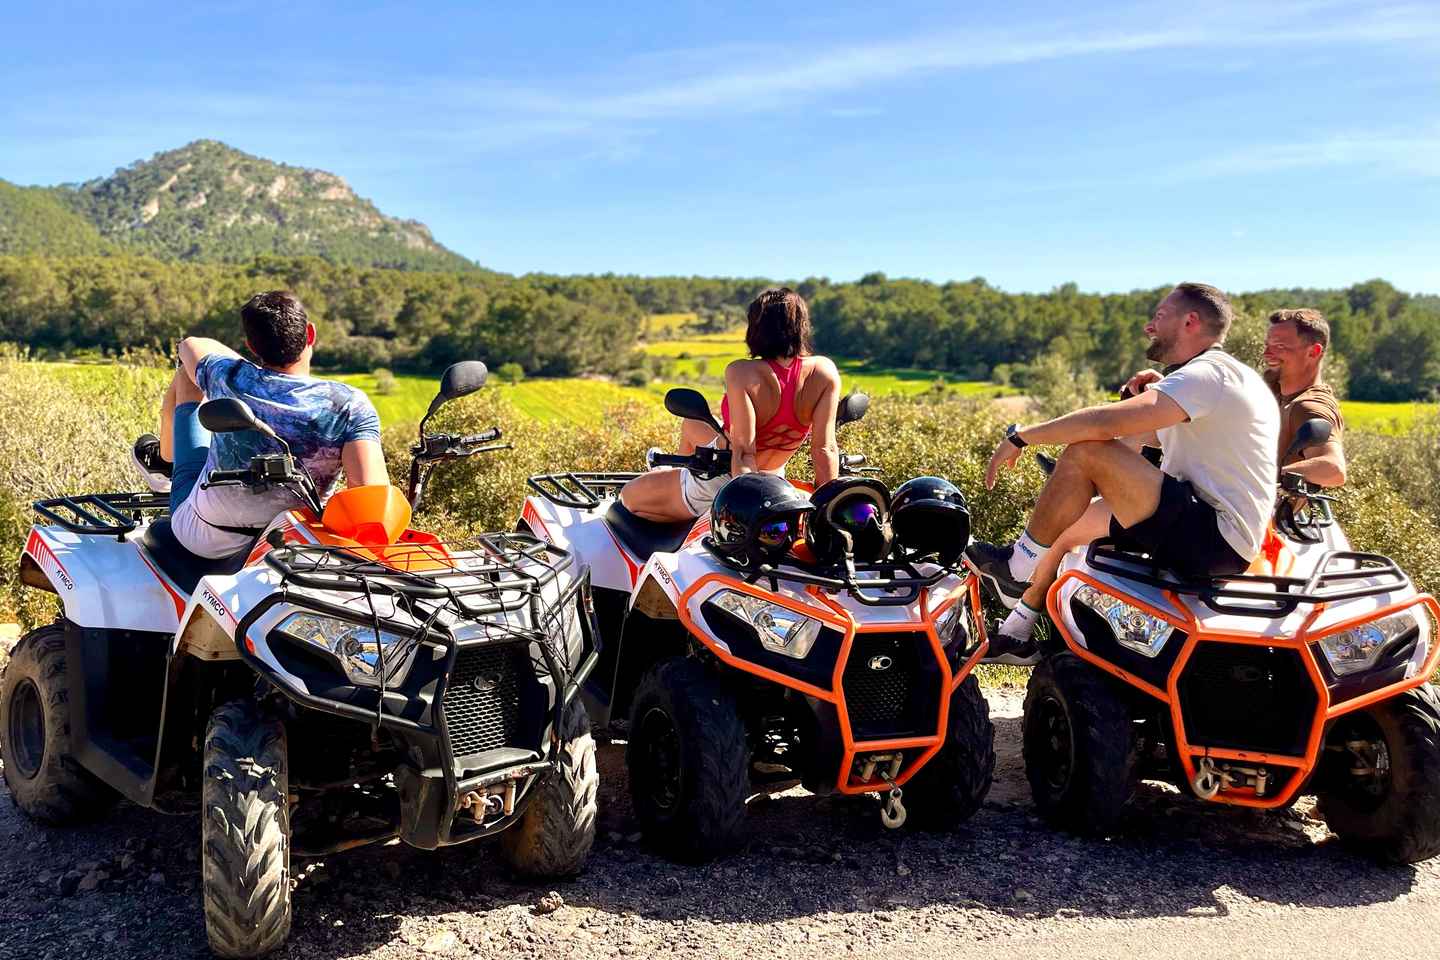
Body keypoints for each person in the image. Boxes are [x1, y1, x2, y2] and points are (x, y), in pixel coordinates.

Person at [964, 282, 1279, 663]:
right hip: (1207, 527)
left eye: (1160, 316)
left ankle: (1017, 568)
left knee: (1086, 451)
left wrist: (1021, 437)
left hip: (1214, 536)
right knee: (1067, 528)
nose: (1149, 326)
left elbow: (1103, 429)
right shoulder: (1214, 379)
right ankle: (1017, 633)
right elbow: (1135, 441)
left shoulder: (1209, 375)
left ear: (1190, 322)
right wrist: (1145, 398)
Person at [131, 290, 388, 559]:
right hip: (297, 544)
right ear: (310, 334)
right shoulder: (349, 405)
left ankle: (165, 461)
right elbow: (370, 495)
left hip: (204, 537)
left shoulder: (229, 377)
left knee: (187, 372)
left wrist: (249, 370)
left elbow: (189, 345)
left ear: (252, 347)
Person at [620, 287, 842, 523]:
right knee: (692, 423)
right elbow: (825, 449)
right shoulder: (824, 371)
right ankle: (678, 475)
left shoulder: (742, 372)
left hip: (729, 483)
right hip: (774, 480)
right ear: (801, 325)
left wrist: (747, 512)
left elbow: (744, 453)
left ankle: (684, 490)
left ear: (757, 328)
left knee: (628, 496)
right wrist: (827, 511)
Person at [1262, 308, 1346, 487]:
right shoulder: (1278, 393)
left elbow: (1334, 470)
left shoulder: (1309, 406)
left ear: (1314, 352)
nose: (1267, 354)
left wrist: (1262, 479)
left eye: (1279, 346)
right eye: (1267, 346)